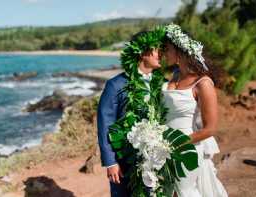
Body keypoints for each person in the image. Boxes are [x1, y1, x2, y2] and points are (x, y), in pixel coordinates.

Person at [161, 24, 228, 197]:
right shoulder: (175, 76)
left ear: (179, 51)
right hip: (163, 147)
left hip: (186, 148)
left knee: (184, 192)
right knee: (168, 193)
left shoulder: (203, 84)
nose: (163, 53)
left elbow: (210, 128)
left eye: (167, 49)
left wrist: (177, 143)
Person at [97, 31, 163, 197]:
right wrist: (110, 162)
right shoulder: (116, 85)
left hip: (155, 158)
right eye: (156, 49)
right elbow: (105, 124)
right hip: (124, 160)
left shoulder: (163, 84)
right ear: (142, 52)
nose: (160, 53)